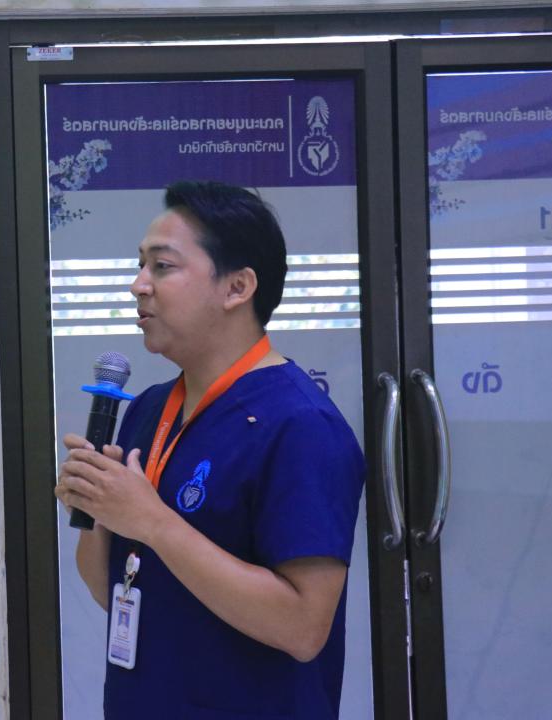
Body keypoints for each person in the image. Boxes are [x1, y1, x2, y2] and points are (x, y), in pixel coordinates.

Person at [55, 180, 365, 719]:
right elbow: (112, 587)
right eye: (140, 265)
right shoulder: (148, 408)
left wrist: (152, 521)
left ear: (237, 287)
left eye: (162, 266)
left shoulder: (300, 424)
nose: (138, 285)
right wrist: (98, 508)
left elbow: (303, 628)